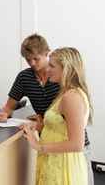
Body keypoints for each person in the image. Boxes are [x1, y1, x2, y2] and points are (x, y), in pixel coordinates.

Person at [22, 47, 93, 185]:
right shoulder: (65, 93)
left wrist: (37, 145)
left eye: (52, 66)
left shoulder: (72, 97)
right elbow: (62, 128)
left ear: (67, 68)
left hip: (64, 165)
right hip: (55, 162)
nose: (47, 70)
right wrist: (42, 126)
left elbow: (77, 144)